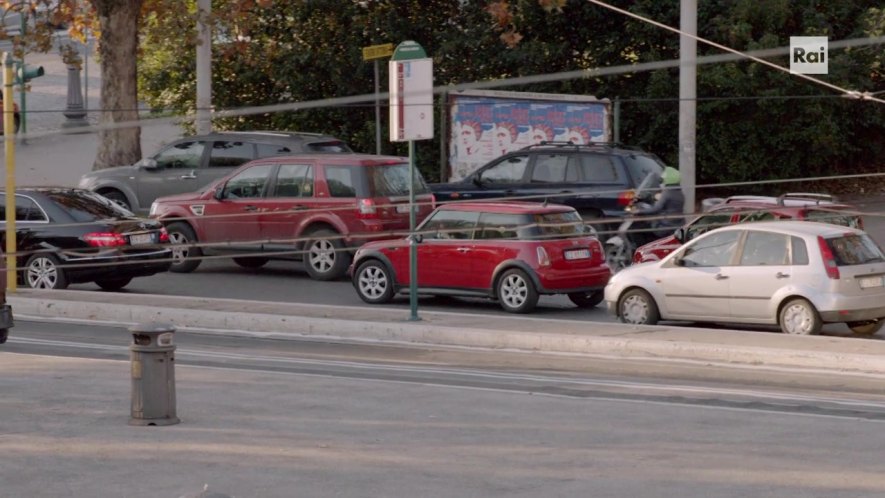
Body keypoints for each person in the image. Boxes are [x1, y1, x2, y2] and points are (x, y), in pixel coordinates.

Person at [634, 166, 685, 239]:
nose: (662, 182)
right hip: (678, 224)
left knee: (642, 227)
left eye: (663, 180)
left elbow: (655, 209)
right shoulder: (680, 193)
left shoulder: (667, 193)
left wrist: (638, 211)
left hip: (665, 227)